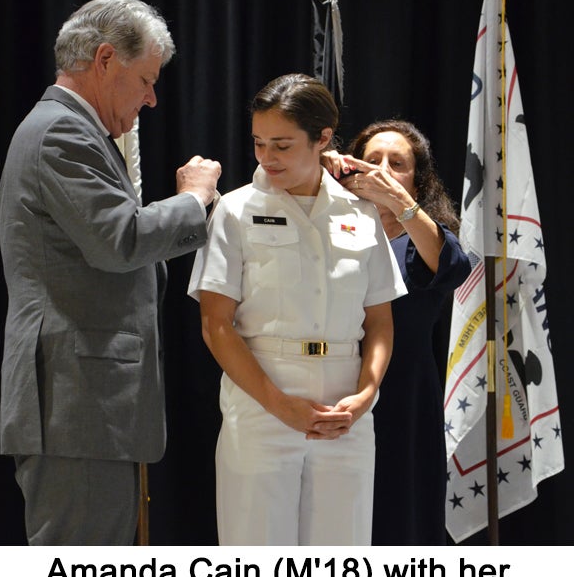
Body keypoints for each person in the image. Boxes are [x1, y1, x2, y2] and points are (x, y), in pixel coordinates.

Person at [0, 0, 221, 545]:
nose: (150, 99)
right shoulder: (62, 133)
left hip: (86, 411)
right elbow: (120, 240)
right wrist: (193, 200)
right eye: (145, 80)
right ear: (103, 61)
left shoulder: (74, 130)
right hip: (77, 410)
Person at [188, 74, 407, 546]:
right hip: (261, 403)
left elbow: (381, 322)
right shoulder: (235, 211)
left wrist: (366, 393)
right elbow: (215, 324)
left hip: (345, 411)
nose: (267, 157)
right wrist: (278, 403)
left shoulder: (360, 212)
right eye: (259, 143)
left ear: (323, 138)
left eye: (282, 145)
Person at [325, 119, 471, 544]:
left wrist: (400, 203)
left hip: (404, 394)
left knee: (398, 514)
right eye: (372, 160)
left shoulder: (422, 235)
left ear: (417, 179)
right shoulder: (331, 226)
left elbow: (453, 267)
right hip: (334, 386)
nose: (384, 169)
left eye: (398, 162)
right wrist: (317, 168)